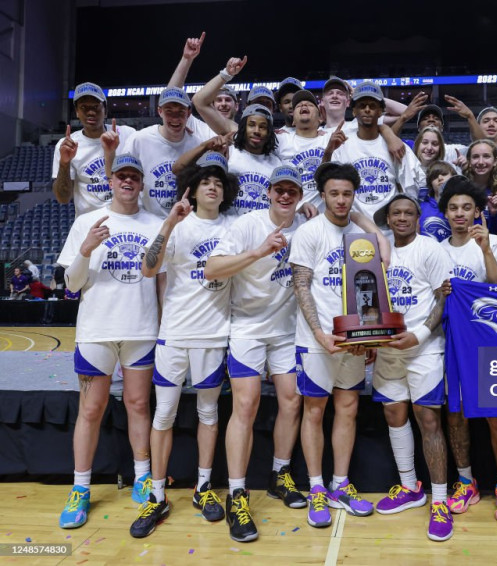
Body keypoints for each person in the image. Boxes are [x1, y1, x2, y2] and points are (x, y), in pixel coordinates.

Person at [127, 151, 237, 539]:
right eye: (206, 182)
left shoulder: (234, 228)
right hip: (174, 334)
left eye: (218, 183)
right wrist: (169, 223)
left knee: (209, 413)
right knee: (164, 415)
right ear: (193, 188)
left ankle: (203, 488)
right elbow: (148, 268)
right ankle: (157, 495)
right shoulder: (176, 225)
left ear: (225, 192)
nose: (212, 187)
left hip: (213, 335)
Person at [56, 154, 164, 529]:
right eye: (121, 176)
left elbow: (162, 280)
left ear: (142, 183)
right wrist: (85, 249)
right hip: (97, 329)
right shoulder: (87, 222)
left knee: (138, 404)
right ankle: (80, 488)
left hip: (141, 328)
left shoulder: (155, 224)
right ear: (111, 181)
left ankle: (142, 475)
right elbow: (72, 284)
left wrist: (163, 327)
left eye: (134, 176)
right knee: (91, 409)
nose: (128, 181)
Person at [204, 165, 309, 542]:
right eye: (279, 189)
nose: (285, 196)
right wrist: (259, 251)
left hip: (286, 330)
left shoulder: (306, 227)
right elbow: (212, 269)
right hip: (247, 328)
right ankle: (237, 494)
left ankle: (280, 473)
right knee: (245, 406)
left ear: (300, 196)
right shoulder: (247, 224)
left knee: (292, 400)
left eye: (292, 191)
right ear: (268, 192)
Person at [289, 162, 389, 528]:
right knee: (314, 411)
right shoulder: (309, 232)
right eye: (334, 193)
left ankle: (340, 484)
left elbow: (372, 282)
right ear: (323, 195)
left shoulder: (362, 236)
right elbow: (301, 285)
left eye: (347, 194)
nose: (341, 200)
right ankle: (316, 487)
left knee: (348, 408)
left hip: (353, 340)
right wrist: (319, 334)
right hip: (318, 340)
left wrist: (369, 334)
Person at [436, 176, 497, 525]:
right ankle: (466, 481)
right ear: (445, 213)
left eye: (466, 207)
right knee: (456, 415)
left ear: (476, 212)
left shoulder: (494, 242)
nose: (459, 213)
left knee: (496, 415)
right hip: (449, 341)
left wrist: (484, 250)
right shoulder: (435, 249)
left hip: (487, 342)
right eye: (453, 208)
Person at [371, 194, 454, 541]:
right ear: (388, 219)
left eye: (408, 213)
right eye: (396, 213)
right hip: (388, 349)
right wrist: (369, 337)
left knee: (428, 420)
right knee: (394, 415)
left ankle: (440, 501)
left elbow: (443, 297)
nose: (402, 218)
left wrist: (418, 335)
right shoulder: (378, 252)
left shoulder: (430, 249)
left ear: (418, 218)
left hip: (424, 348)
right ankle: (410, 488)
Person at [327, 82, 425, 225]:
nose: (367, 110)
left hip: (391, 229)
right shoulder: (342, 145)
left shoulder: (397, 145)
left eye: (372, 106)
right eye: (362, 106)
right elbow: (329, 185)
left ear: (380, 112)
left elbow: (412, 188)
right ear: (354, 111)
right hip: (354, 228)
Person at [117, 88, 212, 218]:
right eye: (169, 111)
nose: (175, 118)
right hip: (145, 220)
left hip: (185, 221)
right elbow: (120, 178)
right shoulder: (139, 139)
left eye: (180, 112)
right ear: (160, 111)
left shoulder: (197, 144)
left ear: (189, 113)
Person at [52, 82, 136, 217]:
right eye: (84, 107)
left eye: (96, 107)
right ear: (77, 112)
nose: (91, 112)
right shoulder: (67, 145)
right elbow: (63, 198)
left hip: (126, 220)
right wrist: (64, 163)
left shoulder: (128, 135)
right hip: (90, 223)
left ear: (105, 111)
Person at [463, 139, 497, 237]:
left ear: (495, 161)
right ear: (469, 161)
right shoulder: (460, 189)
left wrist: (494, 214)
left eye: (486, 156)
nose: (481, 162)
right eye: (475, 157)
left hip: (491, 243)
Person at [419, 161, 457, 242]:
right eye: (435, 176)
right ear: (430, 183)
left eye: (444, 174)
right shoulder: (420, 208)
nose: (440, 178)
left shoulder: (462, 207)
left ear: (453, 177)